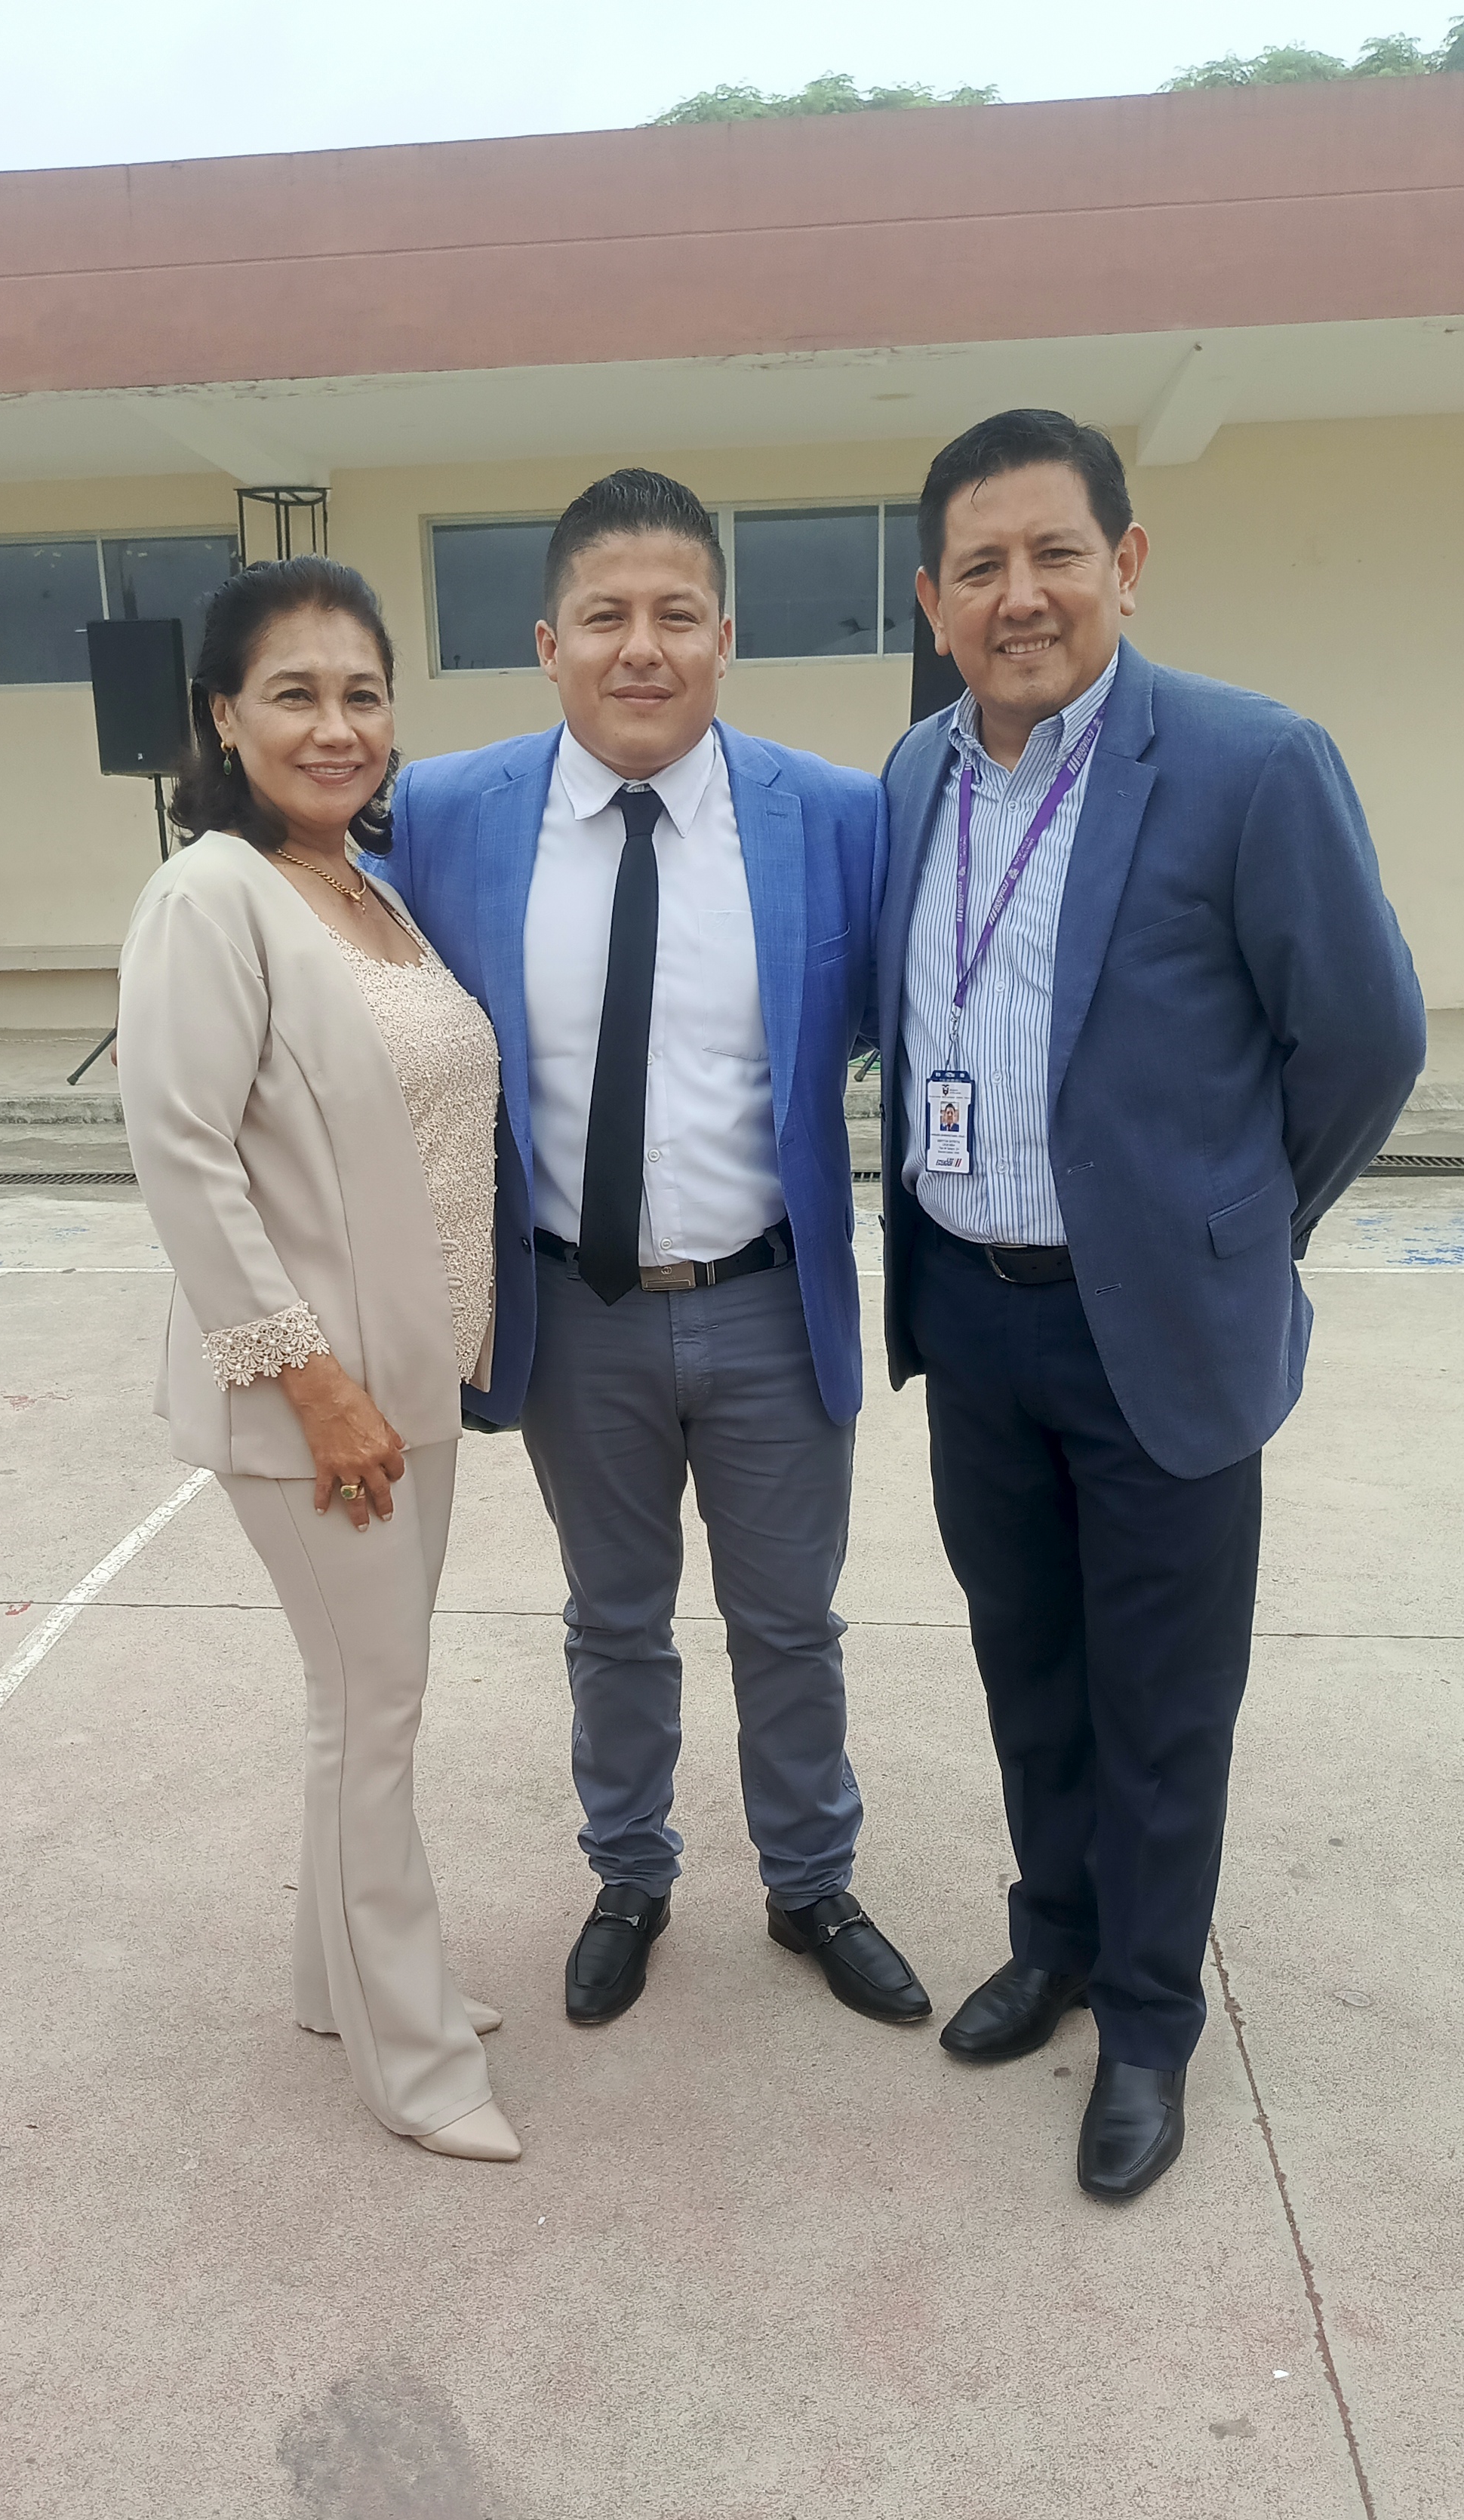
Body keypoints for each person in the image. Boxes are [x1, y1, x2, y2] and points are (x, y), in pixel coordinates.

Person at [877, 409, 1424, 2201]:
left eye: (1054, 553)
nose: (1019, 595)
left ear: (1125, 560)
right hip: (976, 1316)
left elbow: (1365, 1041)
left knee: (1166, 1702)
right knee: (1028, 1664)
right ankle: (1053, 1939)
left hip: (1157, 1332)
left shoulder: (1252, 763)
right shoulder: (917, 776)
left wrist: (1238, 1229)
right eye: (980, 567)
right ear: (935, 601)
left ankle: (1150, 2021)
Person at [371, 469, 930, 2030]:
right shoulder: (446, 814)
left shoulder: (832, 816)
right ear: (548, 643)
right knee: (612, 1621)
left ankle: (811, 1883)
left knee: (791, 1624)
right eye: (605, 616)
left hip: (767, 1301)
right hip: (575, 1312)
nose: (643, 647)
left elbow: (904, 1012)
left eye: (677, 614)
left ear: (725, 638)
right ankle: (630, 1873)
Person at [116, 555, 521, 2164]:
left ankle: (333, 1980)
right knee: (377, 1709)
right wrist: (316, 1383)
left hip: (413, 1385)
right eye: (294, 693)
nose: (335, 726)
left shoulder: (363, 888)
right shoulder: (209, 896)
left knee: (356, 1700)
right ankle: (417, 2065)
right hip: (316, 1404)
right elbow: (182, 1154)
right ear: (222, 716)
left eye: (362, 693)